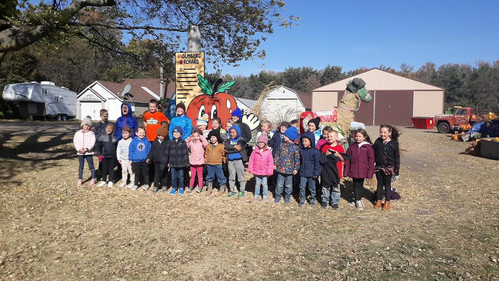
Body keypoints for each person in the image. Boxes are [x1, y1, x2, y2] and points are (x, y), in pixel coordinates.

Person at [344, 129, 375, 210]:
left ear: (364, 137)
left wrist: (370, 172)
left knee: (360, 185)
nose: (357, 138)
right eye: (356, 136)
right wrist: (346, 171)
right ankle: (357, 198)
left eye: (359, 136)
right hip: (354, 170)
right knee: (355, 185)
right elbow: (347, 159)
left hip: (363, 170)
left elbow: (371, 160)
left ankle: (358, 200)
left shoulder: (368, 147)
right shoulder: (352, 147)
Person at [372, 125, 400, 211]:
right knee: (379, 184)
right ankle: (379, 200)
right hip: (379, 167)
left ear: (389, 133)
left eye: (385, 132)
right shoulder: (378, 141)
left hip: (388, 168)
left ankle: (387, 202)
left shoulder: (394, 143)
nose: (382, 134)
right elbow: (373, 153)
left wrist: (396, 171)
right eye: (381, 132)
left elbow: (397, 157)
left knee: (387, 185)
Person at [273, 126, 300, 203]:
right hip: (280, 169)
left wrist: (296, 168)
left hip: (290, 170)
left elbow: (297, 159)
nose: (284, 137)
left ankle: (287, 196)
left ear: (290, 137)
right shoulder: (281, 145)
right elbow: (277, 155)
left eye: (286, 136)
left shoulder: (295, 148)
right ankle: (278, 196)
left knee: (289, 185)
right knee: (279, 184)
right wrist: (275, 164)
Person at [320, 130, 345, 209]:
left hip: (336, 171)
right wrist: (326, 154)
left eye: (331, 136)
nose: (329, 138)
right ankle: (325, 201)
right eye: (328, 136)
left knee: (336, 187)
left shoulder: (340, 148)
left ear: (336, 137)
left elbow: (343, 160)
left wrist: (338, 155)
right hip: (327, 171)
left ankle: (335, 202)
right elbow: (321, 159)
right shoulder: (325, 147)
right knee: (325, 187)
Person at [298, 132, 322, 206]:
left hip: (312, 174)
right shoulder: (301, 150)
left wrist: (316, 173)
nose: (304, 143)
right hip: (303, 173)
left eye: (306, 141)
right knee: (302, 187)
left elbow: (317, 163)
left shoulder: (315, 152)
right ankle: (302, 199)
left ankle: (312, 198)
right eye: (303, 141)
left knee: (312, 187)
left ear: (311, 141)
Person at [248, 134, 274, 202]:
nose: (260, 144)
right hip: (257, 171)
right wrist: (250, 168)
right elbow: (251, 160)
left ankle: (265, 195)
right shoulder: (255, 151)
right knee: (257, 183)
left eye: (262, 142)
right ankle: (256, 195)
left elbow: (270, 162)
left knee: (264, 184)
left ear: (265, 143)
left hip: (265, 172)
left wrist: (270, 171)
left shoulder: (268, 152)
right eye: (259, 142)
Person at [225, 125, 248, 198]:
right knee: (231, 176)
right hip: (230, 161)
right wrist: (234, 147)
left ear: (237, 132)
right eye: (230, 132)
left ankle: (242, 190)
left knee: (241, 176)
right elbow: (227, 146)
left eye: (233, 132)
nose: (231, 134)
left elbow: (239, 148)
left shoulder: (241, 140)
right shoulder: (228, 141)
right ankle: (232, 190)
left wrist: (229, 151)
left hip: (239, 160)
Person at [73, 116, 97, 187]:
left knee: (91, 166)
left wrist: (87, 149)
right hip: (80, 153)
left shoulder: (91, 133)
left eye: (88, 125)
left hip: (88, 152)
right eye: (86, 125)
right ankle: (80, 179)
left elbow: (92, 142)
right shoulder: (77, 133)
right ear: (82, 125)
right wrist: (79, 149)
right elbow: (75, 142)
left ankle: (93, 178)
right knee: (81, 166)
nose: (87, 127)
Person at [147, 123, 170, 193]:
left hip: (165, 161)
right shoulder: (155, 141)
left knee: (164, 174)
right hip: (156, 161)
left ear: (165, 135)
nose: (159, 137)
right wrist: (149, 157)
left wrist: (169, 162)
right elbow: (152, 150)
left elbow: (169, 153)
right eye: (158, 135)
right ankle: (156, 186)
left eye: (161, 136)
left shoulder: (168, 142)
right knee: (156, 174)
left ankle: (164, 185)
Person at [168, 126, 190, 195]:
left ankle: (181, 187)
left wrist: (186, 163)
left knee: (181, 177)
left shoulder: (183, 142)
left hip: (181, 163)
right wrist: (168, 161)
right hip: (173, 162)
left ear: (181, 134)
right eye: (174, 133)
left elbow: (185, 153)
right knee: (173, 177)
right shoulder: (170, 142)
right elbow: (168, 153)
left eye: (178, 133)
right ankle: (174, 187)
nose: (176, 134)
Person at [204, 130, 227, 196]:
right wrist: (206, 160)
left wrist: (224, 161)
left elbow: (223, 154)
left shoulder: (221, 146)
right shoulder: (209, 146)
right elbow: (206, 154)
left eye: (214, 137)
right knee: (210, 176)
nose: (212, 139)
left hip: (218, 163)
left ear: (217, 138)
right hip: (210, 163)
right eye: (211, 137)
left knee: (220, 176)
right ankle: (209, 188)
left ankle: (222, 188)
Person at [129, 127, 151, 191]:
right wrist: (130, 159)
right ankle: (136, 184)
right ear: (136, 133)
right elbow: (131, 150)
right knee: (137, 173)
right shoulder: (134, 141)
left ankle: (146, 184)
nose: (142, 134)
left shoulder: (147, 141)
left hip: (144, 160)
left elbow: (149, 151)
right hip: (136, 160)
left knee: (145, 173)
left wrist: (148, 158)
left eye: (143, 132)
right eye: (140, 132)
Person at [96, 123, 118, 188]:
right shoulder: (101, 137)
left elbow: (116, 148)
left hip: (112, 156)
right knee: (104, 169)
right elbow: (98, 147)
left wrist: (116, 156)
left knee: (111, 169)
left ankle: (111, 181)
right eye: (107, 128)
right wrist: (99, 154)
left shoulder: (114, 138)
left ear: (113, 130)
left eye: (110, 129)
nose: (108, 130)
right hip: (104, 156)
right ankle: (104, 180)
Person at [94, 109, 113, 181]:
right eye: (104, 116)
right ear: (100, 116)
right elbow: (96, 135)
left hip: (108, 145)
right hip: (101, 145)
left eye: (107, 116)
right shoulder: (98, 126)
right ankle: (101, 173)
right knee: (101, 161)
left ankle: (109, 174)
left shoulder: (110, 124)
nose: (105, 117)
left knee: (109, 161)